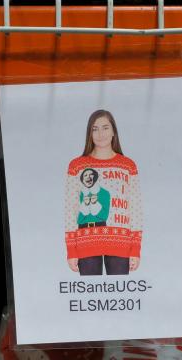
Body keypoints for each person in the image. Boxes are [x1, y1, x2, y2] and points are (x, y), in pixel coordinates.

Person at [64, 110, 143, 276]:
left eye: (105, 128)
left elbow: (135, 208)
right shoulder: (76, 166)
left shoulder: (128, 166)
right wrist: (71, 249)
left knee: (119, 299)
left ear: (113, 131)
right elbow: (71, 209)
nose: (100, 134)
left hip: (120, 241)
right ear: (89, 133)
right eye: (95, 129)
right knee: (90, 298)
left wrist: (135, 248)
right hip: (86, 240)